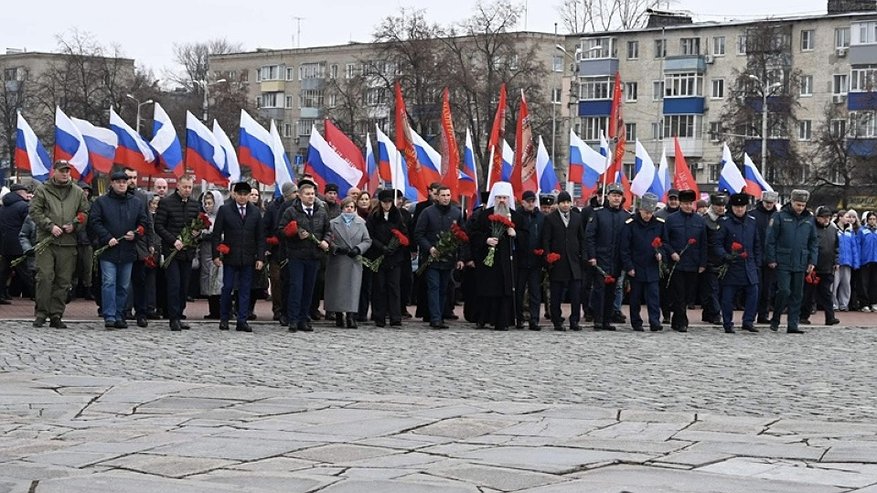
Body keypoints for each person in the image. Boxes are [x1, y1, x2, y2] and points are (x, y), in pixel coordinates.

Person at [28, 160, 90, 328]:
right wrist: (50, 226)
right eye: (62, 170)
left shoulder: (77, 192)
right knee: (45, 277)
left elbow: (84, 212)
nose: (65, 174)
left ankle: (56, 314)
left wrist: (75, 224)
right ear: (53, 171)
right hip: (47, 242)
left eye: (67, 171)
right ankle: (41, 313)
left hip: (68, 242)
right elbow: (34, 211)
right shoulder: (43, 190)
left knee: (63, 281)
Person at [89, 171, 148, 329]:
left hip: (127, 249)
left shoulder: (136, 202)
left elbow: (144, 222)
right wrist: (107, 237)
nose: (122, 184)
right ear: (112, 183)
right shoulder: (101, 202)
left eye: (124, 181)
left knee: (123, 285)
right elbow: (95, 222)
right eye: (118, 181)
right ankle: (109, 315)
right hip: (108, 249)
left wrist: (135, 234)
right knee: (109, 282)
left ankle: (119, 314)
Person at [212, 182, 265, 332]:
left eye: (245, 194)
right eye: (239, 194)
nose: (242, 197)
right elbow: (216, 234)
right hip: (230, 256)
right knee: (227, 287)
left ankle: (242, 320)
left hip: (248, 257)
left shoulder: (255, 212)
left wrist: (260, 258)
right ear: (234, 194)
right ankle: (224, 318)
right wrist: (216, 255)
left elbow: (260, 237)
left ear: (249, 196)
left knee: (245, 289)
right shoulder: (225, 210)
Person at [280, 182, 331, 332]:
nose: (311, 197)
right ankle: (293, 319)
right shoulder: (291, 211)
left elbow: (328, 230)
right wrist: (294, 233)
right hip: (297, 255)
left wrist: (326, 241)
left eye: (313, 194)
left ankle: (304, 318)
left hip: (314, 256)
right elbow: (281, 230)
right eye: (307, 194)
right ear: (300, 196)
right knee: (296, 287)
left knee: (309, 289)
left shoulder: (321, 212)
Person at [765, 189, 818, 334]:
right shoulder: (780, 216)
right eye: (798, 204)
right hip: (783, 260)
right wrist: (771, 258)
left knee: (797, 294)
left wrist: (812, 260)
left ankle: (793, 324)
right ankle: (775, 318)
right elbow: (771, 239)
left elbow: (813, 241)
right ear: (792, 202)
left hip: (801, 261)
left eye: (803, 205)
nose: (800, 208)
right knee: (784, 290)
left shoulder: (809, 219)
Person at [154, 175, 202, 331]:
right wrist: (173, 240)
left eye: (190, 187)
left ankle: (180, 314)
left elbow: (198, 224)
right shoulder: (166, 203)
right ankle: (173, 317)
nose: (187, 190)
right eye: (185, 187)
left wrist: (196, 232)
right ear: (178, 186)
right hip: (172, 251)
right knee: (174, 284)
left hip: (187, 252)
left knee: (184, 286)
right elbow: (159, 226)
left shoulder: (195, 205)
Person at [469, 182, 518, 331]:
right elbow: (473, 234)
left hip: (507, 262)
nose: (502, 200)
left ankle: (502, 321)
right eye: (499, 197)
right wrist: (486, 240)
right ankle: (483, 319)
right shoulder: (485, 215)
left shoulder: (515, 216)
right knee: (487, 290)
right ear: (494, 198)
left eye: (504, 197)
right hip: (488, 261)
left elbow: (526, 237)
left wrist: (515, 234)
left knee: (504, 291)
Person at [414, 185, 464, 329]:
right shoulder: (427, 212)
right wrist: (430, 248)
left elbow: (461, 237)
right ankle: (435, 318)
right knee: (434, 287)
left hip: (448, 259)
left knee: (443, 289)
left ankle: (440, 315)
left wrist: (460, 257)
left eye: (448, 195)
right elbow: (419, 234)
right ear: (437, 196)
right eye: (443, 195)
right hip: (432, 258)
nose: (446, 198)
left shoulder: (456, 213)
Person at [714, 193, 761, 333]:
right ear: (732, 207)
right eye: (736, 207)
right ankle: (728, 323)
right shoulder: (724, 222)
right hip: (732, 265)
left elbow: (756, 243)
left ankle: (748, 321)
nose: (739, 209)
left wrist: (757, 263)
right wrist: (725, 255)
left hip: (748, 264)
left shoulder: (752, 221)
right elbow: (717, 244)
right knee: (728, 297)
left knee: (753, 293)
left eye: (742, 206)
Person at [620, 193, 667, 332]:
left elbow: (665, 243)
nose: (648, 215)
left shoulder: (659, 224)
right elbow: (624, 248)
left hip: (652, 265)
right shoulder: (630, 224)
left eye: (651, 213)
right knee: (635, 297)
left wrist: (661, 254)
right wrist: (628, 266)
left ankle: (654, 321)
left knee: (653, 297)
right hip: (636, 265)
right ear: (640, 210)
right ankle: (636, 322)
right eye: (646, 212)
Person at [585, 183, 628, 331]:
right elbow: (590, 237)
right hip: (600, 259)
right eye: (614, 195)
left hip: (616, 260)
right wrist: (592, 256)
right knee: (599, 290)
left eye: (619, 196)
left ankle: (607, 320)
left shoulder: (626, 216)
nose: (616, 198)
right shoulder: (598, 214)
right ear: (608, 196)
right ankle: (598, 319)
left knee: (612, 291)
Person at [664, 189, 707, 332]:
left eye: (690, 203)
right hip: (677, 263)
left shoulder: (700, 220)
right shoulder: (671, 219)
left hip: (693, 263)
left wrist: (702, 263)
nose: (688, 206)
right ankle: (682, 321)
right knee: (678, 293)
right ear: (680, 204)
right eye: (685, 203)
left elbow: (703, 243)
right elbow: (665, 241)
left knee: (688, 294)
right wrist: (672, 253)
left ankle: (677, 319)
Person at [326, 197, 372, 328]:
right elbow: (328, 239)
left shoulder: (361, 223)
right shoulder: (333, 223)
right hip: (338, 259)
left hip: (354, 260)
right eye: (347, 207)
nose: (349, 209)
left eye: (352, 207)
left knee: (353, 288)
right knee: (337, 289)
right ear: (342, 208)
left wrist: (359, 249)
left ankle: (351, 316)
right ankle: (339, 315)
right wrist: (336, 248)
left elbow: (367, 240)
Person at [542, 190, 585, 331]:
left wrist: (582, 256)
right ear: (558, 204)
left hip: (574, 262)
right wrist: (548, 257)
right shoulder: (550, 219)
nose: (565, 205)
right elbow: (546, 240)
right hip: (558, 262)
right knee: (556, 294)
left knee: (575, 294)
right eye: (563, 202)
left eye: (568, 202)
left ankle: (574, 321)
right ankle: (557, 321)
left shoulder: (577, 218)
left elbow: (581, 238)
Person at [366, 189, 408, 327]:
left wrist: (395, 247)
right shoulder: (374, 217)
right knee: (379, 287)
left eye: (390, 202)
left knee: (394, 287)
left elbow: (403, 234)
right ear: (380, 202)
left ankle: (396, 317)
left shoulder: (398, 216)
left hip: (394, 258)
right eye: (385, 202)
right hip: (379, 255)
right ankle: (379, 317)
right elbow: (370, 236)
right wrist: (382, 247)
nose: (387, 205)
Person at [124, 167, 154, 328]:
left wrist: (151, 244)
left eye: (134, 177)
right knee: (122, 281)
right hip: (122, 244)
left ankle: (141, 313)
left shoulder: (142, 197)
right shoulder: (115, 196)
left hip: (139, 246)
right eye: (129, 177)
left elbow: (148, 222)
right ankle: (124, 310)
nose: (132, 181)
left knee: (139, 280)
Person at [264, 182, 297, 325]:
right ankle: (278, 309)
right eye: (294, 192)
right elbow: (266, 227)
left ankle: (290, 310)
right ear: (287, 194)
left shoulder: (297, 207)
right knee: (277, 280)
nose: (296, 195)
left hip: (293, 250)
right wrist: (269, 242)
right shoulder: (273, 207)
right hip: (276, 249)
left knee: (291, 281)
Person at [802, 206, 840, 326]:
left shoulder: (833, 230)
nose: (826, 220)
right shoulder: (810, 228)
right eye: (823, 217)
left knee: (826, 294)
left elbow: (836, 247)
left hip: (827, 267)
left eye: (828, 217)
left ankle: (830, 317)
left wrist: (836, 261)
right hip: (813, 267)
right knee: (808, 293)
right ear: (817, 217)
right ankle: (803, 316)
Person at [514, 190, 545, 330]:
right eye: (528, 201)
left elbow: (544, 236)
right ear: (523, 202)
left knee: (535, 292)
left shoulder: (541, 217)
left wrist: (543, 253)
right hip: (520, 260)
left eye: (533, 201)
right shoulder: (517, 215)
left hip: (535, 260)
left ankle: (534, 319)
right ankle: (518, 318)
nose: (531, 203)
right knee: (519, 291)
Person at [0, 183, 33, 302]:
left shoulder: (4, 206)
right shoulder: (23, 206)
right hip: (19, 243)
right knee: (26, 272)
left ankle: (1, 294)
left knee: (4, 271)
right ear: (20, 193)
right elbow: (29, 224)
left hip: (5, 243)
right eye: (25, 192)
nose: (27, 194)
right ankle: (37, 294)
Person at [750, 190, 779, 324]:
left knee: (767, 288)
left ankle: (764, 314)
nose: (769, 205)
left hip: (771, 258)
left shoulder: (778, 216)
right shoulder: (753, 215)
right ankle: (751, 314)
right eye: (767, 202)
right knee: (756, 288)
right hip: (755, 256)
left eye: (771, 203)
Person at [700, 193, 726, 325]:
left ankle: (708, 313)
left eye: (722, 205)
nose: (721, 208)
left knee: (717, 289)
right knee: (711, 288)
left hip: (724, 260)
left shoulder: (726, 219)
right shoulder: (705, 220)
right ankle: (715, 314)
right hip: (709, 259)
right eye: (718, 205)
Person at [199, 190, 224, 319]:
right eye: (206, 203)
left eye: (210, 203)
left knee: (218, 280)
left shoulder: (222, 216)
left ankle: (222, 310)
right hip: (205, 252)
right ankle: (212, 310)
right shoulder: (203, 218)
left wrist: (211, 235)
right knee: (208, 280)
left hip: (218, 252)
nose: (208, 206)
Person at [73, 181, 94, 300]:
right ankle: (73, 290)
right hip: (74, 240)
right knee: (73, 267)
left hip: (87, 241)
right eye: (83, 190)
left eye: (87, 191)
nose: (85, 193)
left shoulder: (92, 205)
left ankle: (88, 289)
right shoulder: (74, 205)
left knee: (88, 268)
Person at [834, 210, 859, 312]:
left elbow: (854, 247)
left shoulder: (850, 231)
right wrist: (834, 261)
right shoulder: (834, 229)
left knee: (846, 284)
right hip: (837, 262)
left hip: (848, 261)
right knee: (835, 284)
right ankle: (834, 304)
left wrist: (855, 262)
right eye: (846, 217)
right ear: (840, 217)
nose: (849, 219)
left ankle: (843, 304)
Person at [858, 211, 877, 312]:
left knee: (874, 283)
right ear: (867, 220)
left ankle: (874, 302)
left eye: (874, 219)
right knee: (864, 283)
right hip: (865, 260)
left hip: (876, 260)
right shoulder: (862, 231)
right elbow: (858, 245)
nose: (872, 221)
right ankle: (864, 303)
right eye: (870, 219)